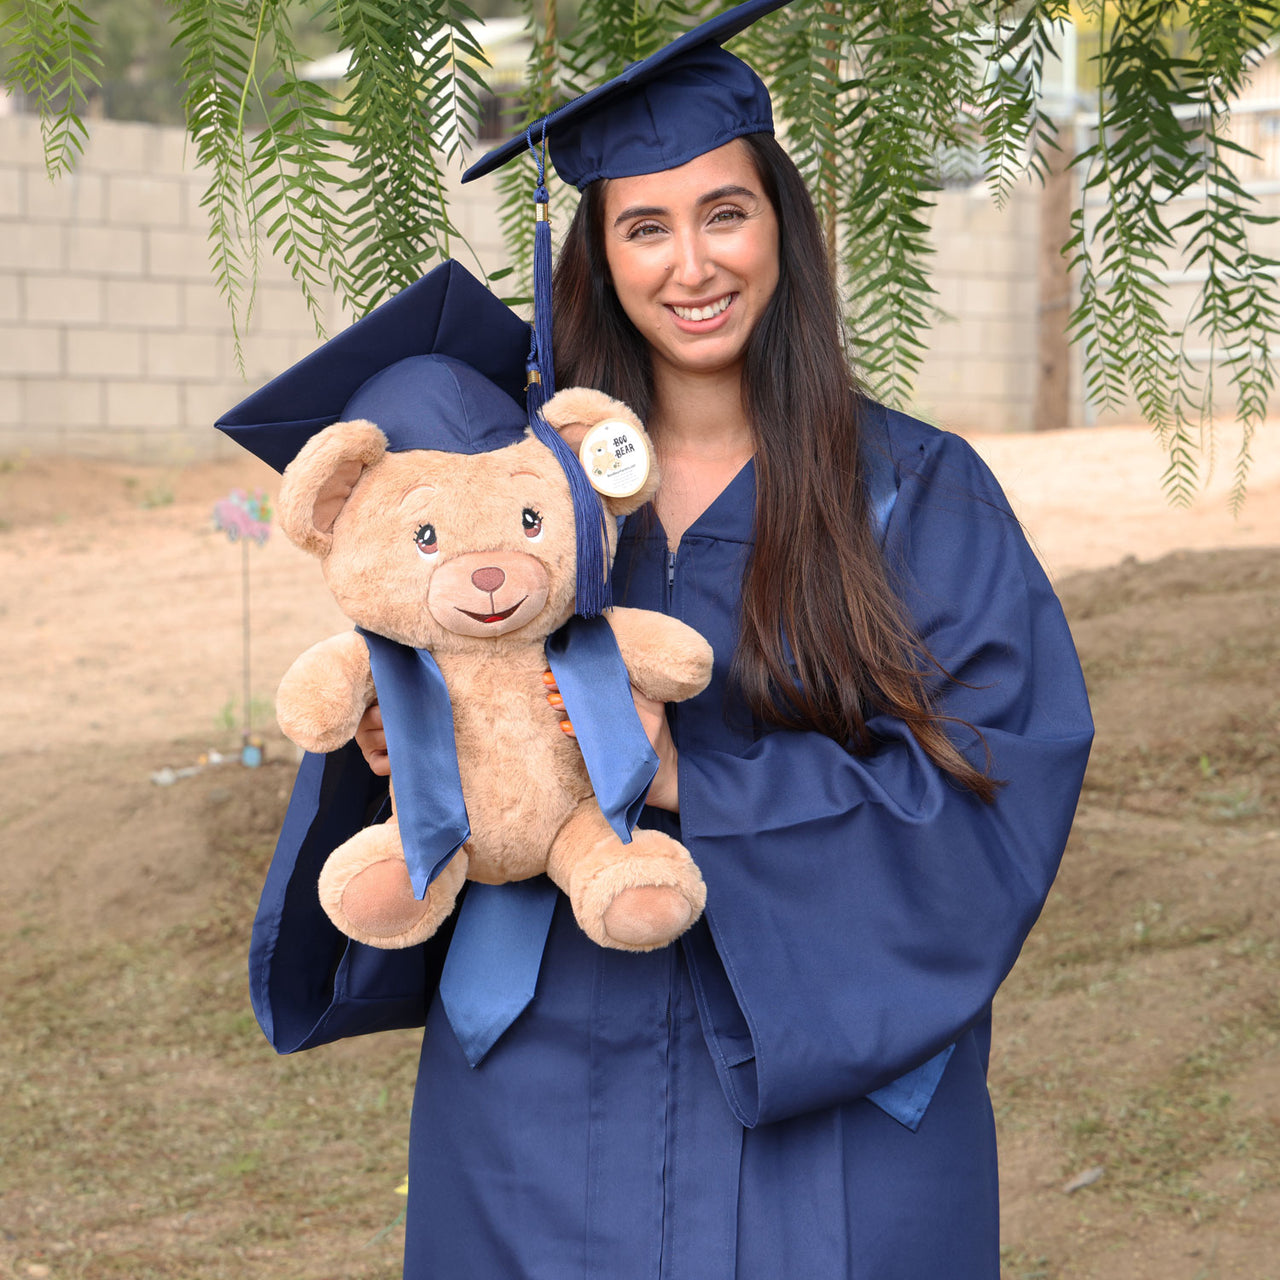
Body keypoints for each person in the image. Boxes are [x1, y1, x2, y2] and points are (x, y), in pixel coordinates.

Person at [232, 1, 1094, 1276]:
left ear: (779, 226)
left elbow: (993, 786)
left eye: (723, 213)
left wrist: (687, 772)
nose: (691, 264)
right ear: (599, 254)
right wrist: (403, 746)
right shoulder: (516, 491)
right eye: (645, 226)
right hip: (546, 1086)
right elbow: (437, 707)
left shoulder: (914, 493)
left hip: (834, 1089)